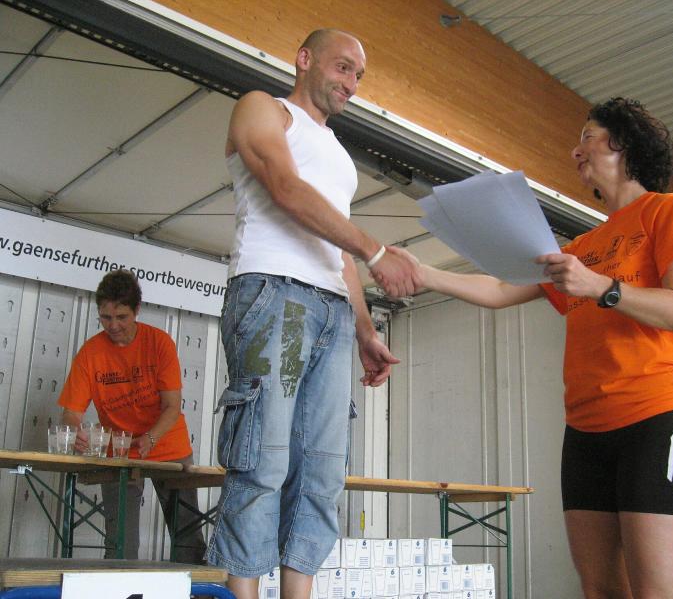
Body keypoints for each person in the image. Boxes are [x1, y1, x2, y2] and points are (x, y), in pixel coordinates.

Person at [392, 98, 673, 599]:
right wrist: (423, 273)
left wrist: (599, 286)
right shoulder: (579, 248)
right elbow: (502, 289)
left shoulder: (667, 210)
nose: (575, 150)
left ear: (622, 143)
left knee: (661, 592)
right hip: (585, 432)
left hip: (654, 419)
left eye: (587, 136)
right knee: (600, 589)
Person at [205, 29, 418, 599]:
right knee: (263, 461)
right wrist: (377, 251)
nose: (352, 83)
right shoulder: (264, 109)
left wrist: (366, 329)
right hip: (275, 294)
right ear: (304, 60)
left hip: (331, 310)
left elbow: (336, 250)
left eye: (359, 76)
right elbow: (284, 188)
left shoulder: (341, 159)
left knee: (322, 471)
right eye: (343, 67)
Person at [59, 268, 206, 564]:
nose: (113, 326)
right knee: (120, 543)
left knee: (188, 539)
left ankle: (193, 587)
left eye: (121, 317)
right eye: (105, 317)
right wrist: (77, 433)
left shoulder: (159, 343)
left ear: (137, 310)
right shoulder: (90, 353)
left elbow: (172, 406)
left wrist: (150, 437)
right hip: (120, 453)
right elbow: (70, 414)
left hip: (168, 446)